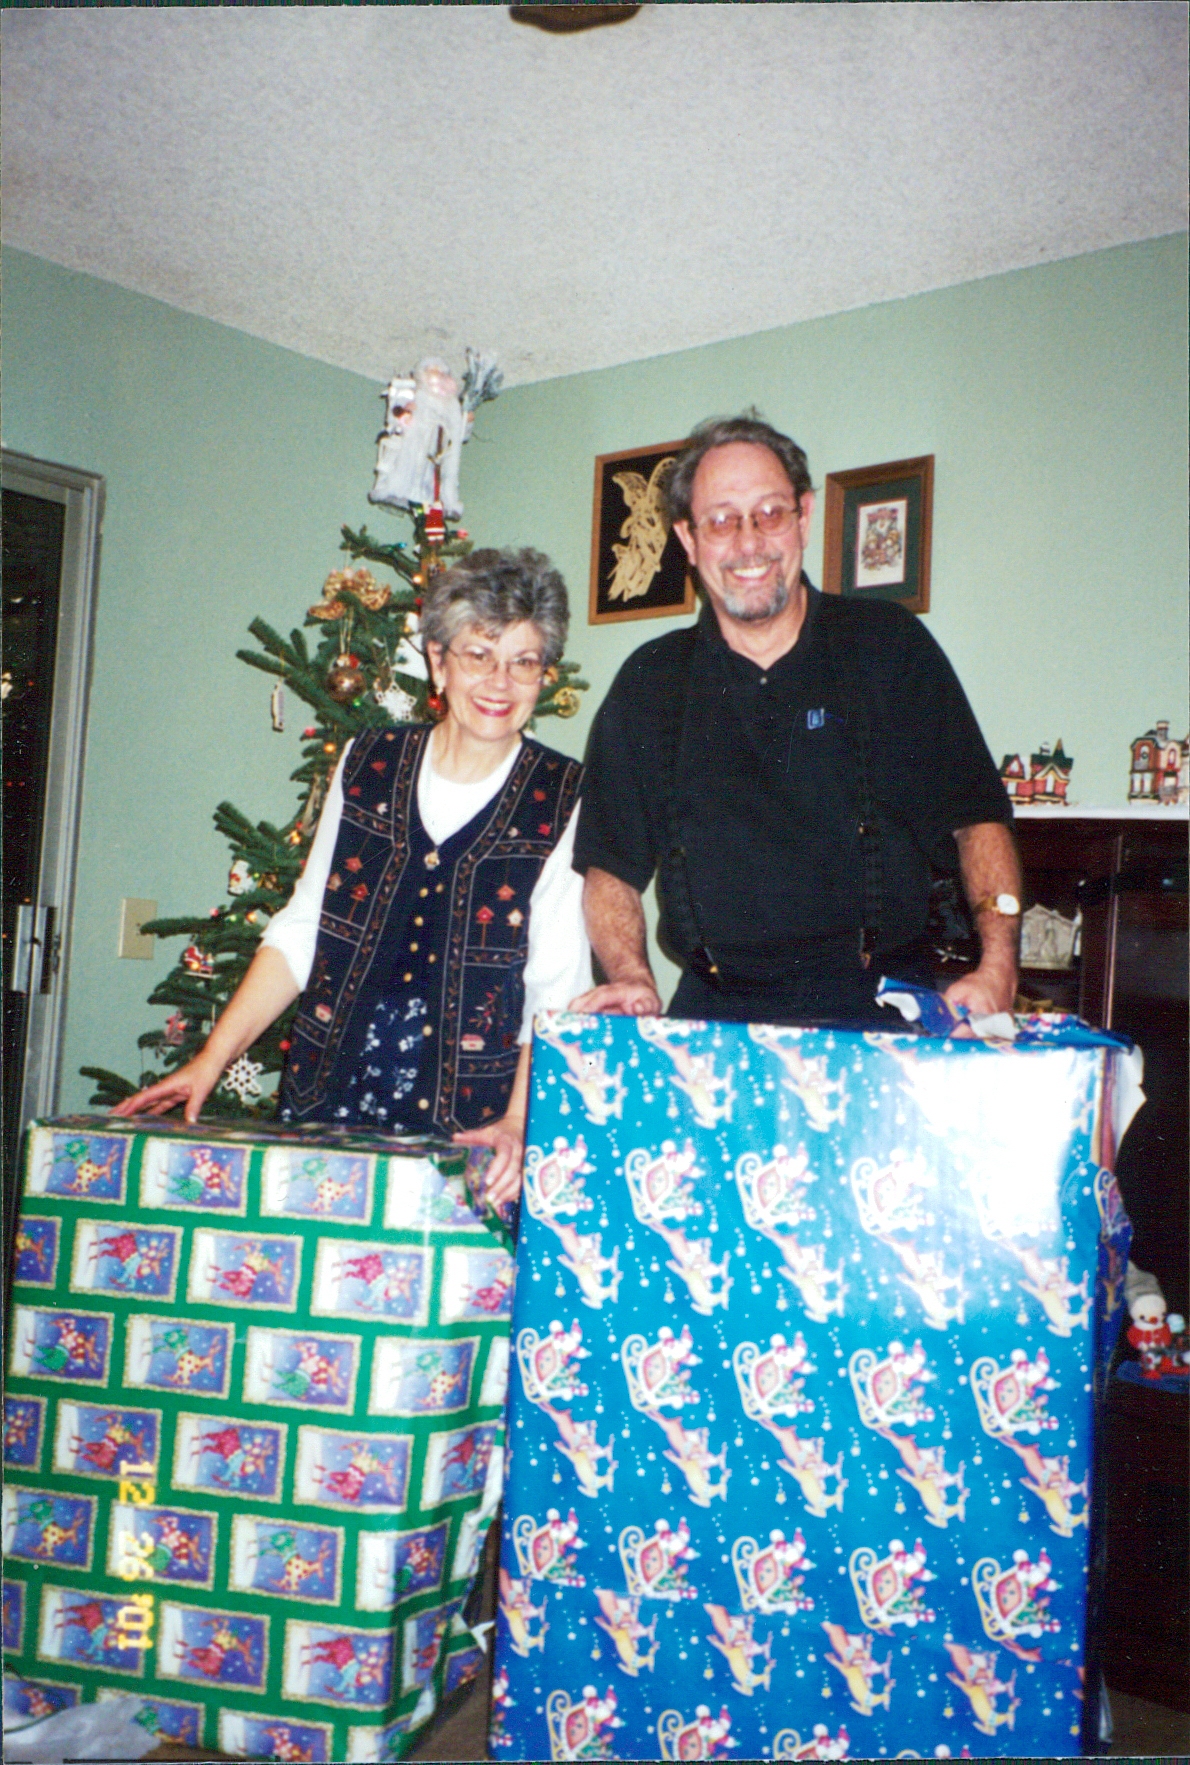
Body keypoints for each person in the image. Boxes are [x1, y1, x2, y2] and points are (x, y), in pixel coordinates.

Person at [115, 548, 591, 1205]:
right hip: (326, 1106)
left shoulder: (562, 796)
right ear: (438, 660)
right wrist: (210, 1060)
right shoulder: (368, 764)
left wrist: (518, 1120)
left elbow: (557, 987)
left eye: (524, 661)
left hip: (471, 1133)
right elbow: (304, 928)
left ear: (544, 674)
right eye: (479, 654)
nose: (499, 683)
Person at [572, 413, 1020, 1028]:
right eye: (722, 520)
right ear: (688, 540)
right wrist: (630, 976)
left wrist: (999, 964)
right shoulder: (651, 681)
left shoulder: (889, 646)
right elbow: (609, 870)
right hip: (713, 1017)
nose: (749, 542)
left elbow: (977, 820)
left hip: (884, 1010)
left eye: (770, 513)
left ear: (804, 517)